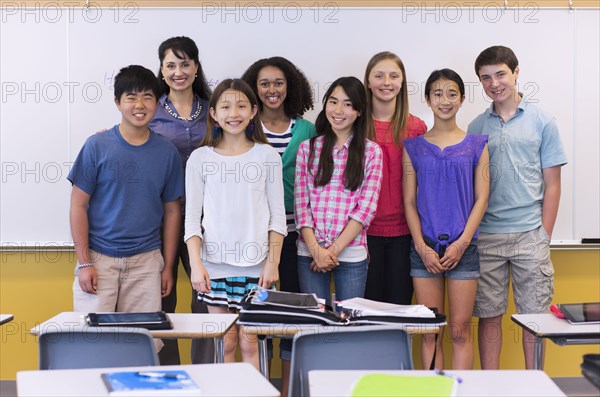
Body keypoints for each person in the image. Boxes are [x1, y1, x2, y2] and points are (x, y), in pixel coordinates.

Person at [468, 46, 567, 370]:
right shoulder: (476, 127)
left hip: (530, 235)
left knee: (534, 317)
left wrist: (544, 235)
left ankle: (534, 383)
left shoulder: (542, 121)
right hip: (488, 237)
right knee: (489, 315)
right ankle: (491, 386)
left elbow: (552, 184)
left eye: (500, 74)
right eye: (485, 78)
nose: (494, 83)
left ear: (516, 72)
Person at [184, 79, 286, 368]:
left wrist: (272, 262)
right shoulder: (200, 158)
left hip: (258, 267)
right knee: (225, 342)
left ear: (254, 111)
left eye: (241, 106)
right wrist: (196, 264)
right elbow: (192, 218)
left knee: (250, 342)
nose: (234, 113)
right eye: (226, 107)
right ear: (214, 113)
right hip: (214, 267)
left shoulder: (266, 156)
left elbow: (278, 216)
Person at [68, 65, 184, 318]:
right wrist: (85, 262)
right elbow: (78, 205)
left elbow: (173, 211)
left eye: (147, 97)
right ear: (117, 103)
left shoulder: (167, 152)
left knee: (143, 342)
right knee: (94, 344)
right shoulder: (96, 146)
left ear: (157, 103)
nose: (139, 105)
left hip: (147, 261)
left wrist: (167, 267)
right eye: (131, 97)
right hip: (99, 259)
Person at [403, 68, 489, 369]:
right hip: (424, 247)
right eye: (438, 93)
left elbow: (482, 199)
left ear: (462, 99)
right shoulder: (413, 147)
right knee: (431, 332)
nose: (445, 100)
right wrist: (420, 247)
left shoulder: (478, 144)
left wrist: (462, 243)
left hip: (464, 249)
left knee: (459, 330)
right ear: (428, 98)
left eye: (452, 93)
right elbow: (409, 202)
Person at [241, 56, 316, 396]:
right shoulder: (242, 128)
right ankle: (259, 388)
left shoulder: (307, 130)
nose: (273, 90)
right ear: (254, 90)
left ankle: (286, 390)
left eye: (279, 83)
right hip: (254, 238)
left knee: (292, 314)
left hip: (298, 236)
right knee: (258, 315)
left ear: (291, 86)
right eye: (265, 84)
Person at [150, 36, 214, 365]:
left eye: (185, 63)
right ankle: (169, 376)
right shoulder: (150, 109)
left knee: (206, 299)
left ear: (196, 67)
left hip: (207, 221)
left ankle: (205, 373)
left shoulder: (214, 108)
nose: (179, 71)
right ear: (161, 70)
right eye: (171, 65)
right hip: (159, 221)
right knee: (163, 299)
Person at [295, 76, 383, 304]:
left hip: (351, 253)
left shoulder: (372, 152)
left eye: (348, 104)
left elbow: (365, 211)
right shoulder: (308, 149)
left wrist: (331, 251)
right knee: (314, 325)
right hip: (309, 252)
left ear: (360, 111)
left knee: (350, 326)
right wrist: (316, 250)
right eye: (333, 102)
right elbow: (301, 207)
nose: (339, 110)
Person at [363, 51, 427, 305]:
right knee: (366, 312)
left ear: (402, 83)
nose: (386, 82)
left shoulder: (416, 128)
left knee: (398, 309)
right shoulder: (355, 126)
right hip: (362, 234)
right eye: (379, 76)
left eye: (393, 76)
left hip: (405, 233)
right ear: (368, 81)